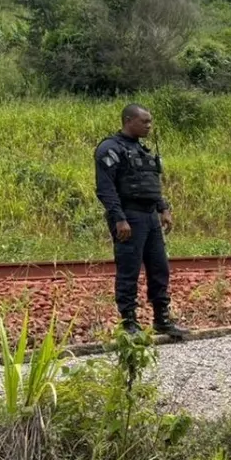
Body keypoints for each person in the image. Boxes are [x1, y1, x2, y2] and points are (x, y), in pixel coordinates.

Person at [93, 103, 188, 338]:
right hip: (129, 216)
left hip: (150, 217)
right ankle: (129, 324)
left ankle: (162, 320)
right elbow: (105, 188)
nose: (149, 126)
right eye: (144, 122)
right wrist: (119, 219)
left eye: (150, 121)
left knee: (160, 269)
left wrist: (163, 208)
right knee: (129, 271)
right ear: (128, 121)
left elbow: (151, 183)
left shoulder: (143, 150)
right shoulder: (110, 149)